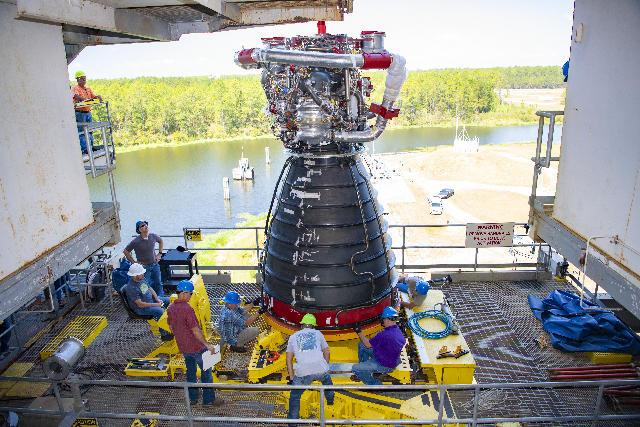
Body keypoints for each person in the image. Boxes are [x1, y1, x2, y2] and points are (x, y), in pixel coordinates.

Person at [167, 280, 223, 406]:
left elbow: (171, 326)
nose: (190, 296)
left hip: (184, 348)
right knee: (206, 374)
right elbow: (195, 330)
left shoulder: (170, 308)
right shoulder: (187, 309)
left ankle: (193, 399)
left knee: (191, 373)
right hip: (196, 347)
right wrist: (207, 345)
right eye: (190, 294)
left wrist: (182, 336)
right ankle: (208, 400)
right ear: (184, 293)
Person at [286, 314, 334, 425]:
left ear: (302, 325)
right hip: (321, 370)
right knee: (328, 384)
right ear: (313, 326)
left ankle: (292, 423)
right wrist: (325, 367)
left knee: (295, 396)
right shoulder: (318, 333)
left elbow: (288, 360)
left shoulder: (293, 336)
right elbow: (327, 352)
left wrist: (292, 378)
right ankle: (330, 400)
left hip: (303, 373)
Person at [351, 306, 406, 385]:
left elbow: (368, 345)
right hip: (390, 357)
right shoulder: (397, 330)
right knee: (361, 345)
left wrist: (359, 331)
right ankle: (364, 369)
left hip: (385, 365)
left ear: (387, 319)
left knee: (355, 368)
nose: (383, 322)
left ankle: (375, 384)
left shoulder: (385, 335)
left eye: (383, 319)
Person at [122, 262, 171, 340]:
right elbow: (140, 305)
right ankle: (164, 334)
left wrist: (157, 299)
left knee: (170, 300)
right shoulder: (131, 288)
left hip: (151, 301)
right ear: (135, 275)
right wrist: (157, 305)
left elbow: (150, 288)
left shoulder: (142, 279)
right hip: (141, 309)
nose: (143, 275)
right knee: (160, 311)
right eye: (141, 274)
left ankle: (171, 322)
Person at [124, 220, 165, 298]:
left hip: (155, 264)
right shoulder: (136, 241)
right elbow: (126, 251)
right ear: (139, 230)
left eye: (145, 225)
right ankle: (147, 299)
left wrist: (160, 253)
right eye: (142, 226)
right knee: (144, 285)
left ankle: (161, 298)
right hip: (143, 267)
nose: (145, 226)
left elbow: (161, 241)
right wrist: (134, 262)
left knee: (158, 282)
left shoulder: (153, 236)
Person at [71, 71, 102, 153]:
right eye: (82, 78)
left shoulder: (88, 89)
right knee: (82, 132)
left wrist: (97, 97)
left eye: (85, 78)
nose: (84, 80)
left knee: (90, 130)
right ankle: (85, 149)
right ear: (78, 79)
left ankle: (91, 147)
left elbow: (93, 97)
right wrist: (85, 100)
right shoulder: (75, 88)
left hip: (88, 112)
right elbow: (76, 96)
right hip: (80, 113)